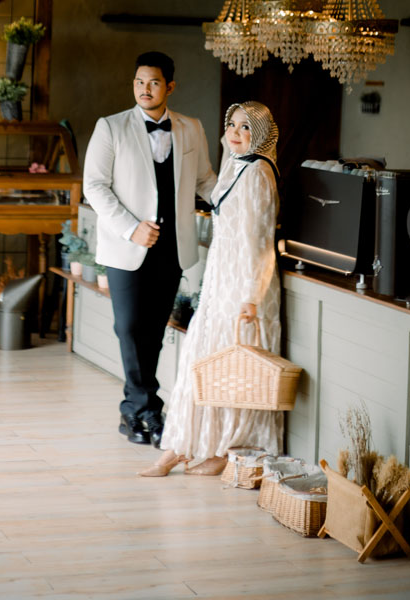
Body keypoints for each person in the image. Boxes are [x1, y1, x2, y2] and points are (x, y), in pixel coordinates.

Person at [139, 100, 282, 477]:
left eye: (246, 127)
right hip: (222, 279)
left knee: (232, 368)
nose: (235, 133)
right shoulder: (237, 165)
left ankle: (226, 448)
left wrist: (251, 296)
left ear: (260, 135)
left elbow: (259, 241)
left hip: (244, 287)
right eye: (232, 124)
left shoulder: (258, 173)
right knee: (203, 362)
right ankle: (182, 445)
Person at [83, 51, 218, 448]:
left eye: (154, 83)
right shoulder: (110, 127)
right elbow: (94, 186)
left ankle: (136, 411)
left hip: (171, 248)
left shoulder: (191, 128)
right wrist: (131, 229)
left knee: (154, 331)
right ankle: (145, 409)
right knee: (128, 327)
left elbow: (205, 180)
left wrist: (238, 201)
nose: (145, 89)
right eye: (140, 82)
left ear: (169, 87)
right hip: (127, 247)